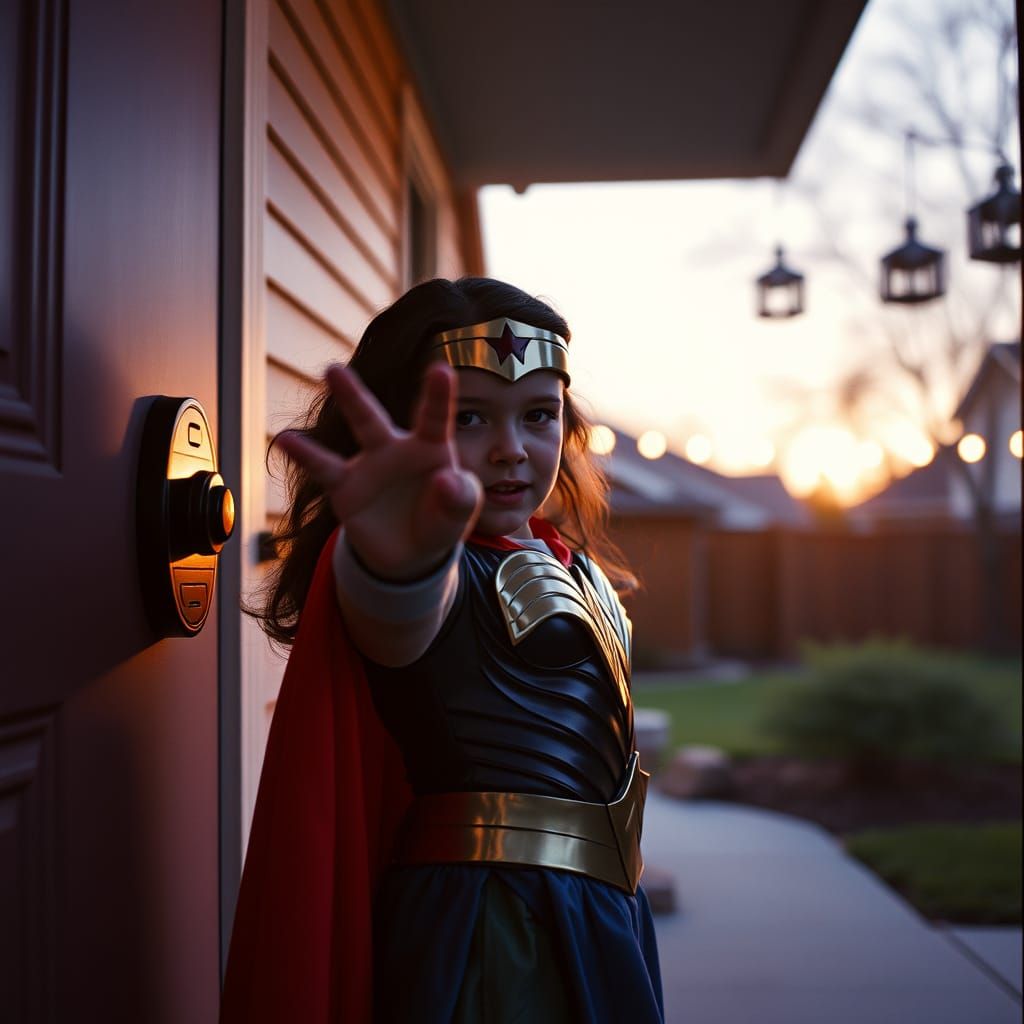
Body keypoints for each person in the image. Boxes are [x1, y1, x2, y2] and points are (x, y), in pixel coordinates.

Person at [221, 277, 664, 1023]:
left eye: (538, 414)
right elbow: (402, 609)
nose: (511, 449)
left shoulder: (567, 563)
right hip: (494, 929)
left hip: (598, 915)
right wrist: (401, 560)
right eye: (469, 417)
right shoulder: (428, 563)